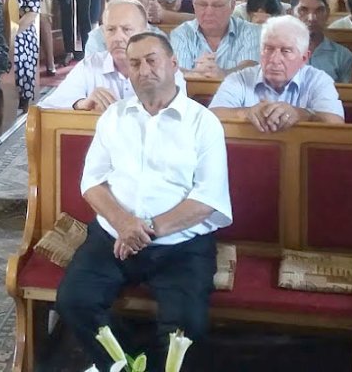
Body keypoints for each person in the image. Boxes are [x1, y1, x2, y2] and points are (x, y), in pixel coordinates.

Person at [55, 33, 231, 372]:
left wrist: (144, 230)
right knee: (75, 301)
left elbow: (207, 198)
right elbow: (92, 182)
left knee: (184, 329)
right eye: (134, 63)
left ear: (173, 64)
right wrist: (123, 223)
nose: (143, 69)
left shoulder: (202, 123)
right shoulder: (114, 117)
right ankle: (126, 365)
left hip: (182, 243)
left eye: (152, 60)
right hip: (114, 236)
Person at [41, 0, 182, 111]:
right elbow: (48, 107)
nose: (117, 38)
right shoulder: (90, 65)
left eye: (126, 29)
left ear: (144, 32)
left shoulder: (166, 68)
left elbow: (178, 114)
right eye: (111, 30)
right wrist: (81, 104)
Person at [209, 15, 345, 130]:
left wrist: (301, 115)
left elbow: (336, 125)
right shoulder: (240, 79)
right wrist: (246, 113)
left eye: (286, 51)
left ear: (304, 58)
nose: (275, 59)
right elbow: (211, 116)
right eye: (268, 49)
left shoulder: (319, 80)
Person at [170, 0, 263, 79]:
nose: (209, 12)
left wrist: (222, 74)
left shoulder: (252, 32)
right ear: (194, 4)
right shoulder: (181, 33)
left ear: (232, 6)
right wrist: (197, 75)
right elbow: (176, 71)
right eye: (202, 4)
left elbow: (250, 69)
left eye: (217, 6)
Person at [290, 0, 352, 83]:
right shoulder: (277, 53)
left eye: (319, 11)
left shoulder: (342, 56)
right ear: (291, 14)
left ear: (328, 13)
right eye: (303, 10)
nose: (312, 18)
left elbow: (348, 95)